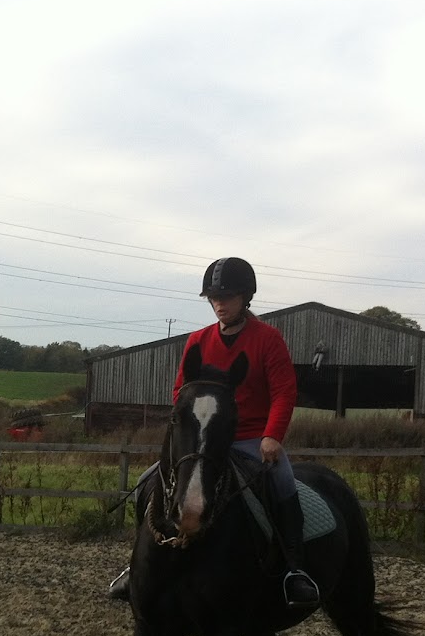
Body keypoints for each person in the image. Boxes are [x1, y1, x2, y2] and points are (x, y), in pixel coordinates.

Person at [109, 256, 321, 609]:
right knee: (148, 481)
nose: (220, 304)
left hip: (251, 437)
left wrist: (272, 435)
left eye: (227, 297)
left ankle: (293, 570)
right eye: (214, 298)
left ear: (245, 297)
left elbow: (284, 392)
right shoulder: (198, 340)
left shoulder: (268, 339)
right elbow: (181, 392)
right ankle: (138, 565)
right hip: (203, 440)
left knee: (283, 480)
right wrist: (188, 428)